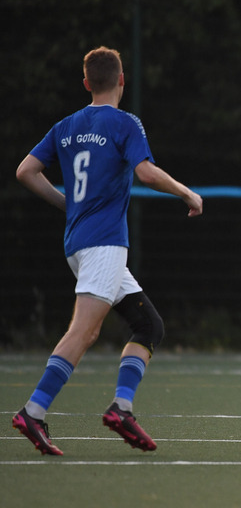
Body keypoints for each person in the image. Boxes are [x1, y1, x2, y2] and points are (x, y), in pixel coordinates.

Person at [12, 47, 203, 456]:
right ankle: (33, 409)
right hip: (104, 245)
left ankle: (122, 407)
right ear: (121, 81)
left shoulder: (65, 125)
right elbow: (146, 172)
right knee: (85, 331)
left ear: (86, 83)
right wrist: (187, 192)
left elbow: (25, 171)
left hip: (79, 245)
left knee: (149, 325)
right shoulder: (124, 123)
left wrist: (67, 204)